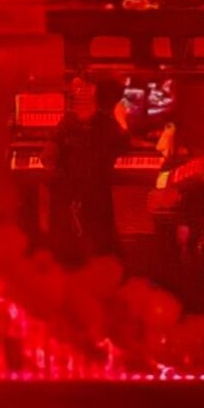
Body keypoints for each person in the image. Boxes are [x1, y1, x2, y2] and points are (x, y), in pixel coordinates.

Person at [50, 73, 127, 265]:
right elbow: (123, 145)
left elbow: (51, 152)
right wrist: (122, 120)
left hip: (82, 194)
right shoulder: (101, 124)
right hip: (92, 194)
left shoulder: (71, 122)